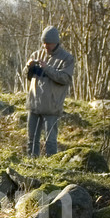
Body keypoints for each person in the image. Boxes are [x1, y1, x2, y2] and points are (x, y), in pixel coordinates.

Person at [25, 25, 75, 158]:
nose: (45, 46)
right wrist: (28, 67)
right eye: (44, 43)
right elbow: (28, 76)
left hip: (52, 106)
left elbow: (65, 79)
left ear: (56, 42)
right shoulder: (36, 55)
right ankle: (31, 162)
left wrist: (47, 68)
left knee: (50, 141)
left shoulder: (67, 58)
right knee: (31, 140)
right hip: (34, 104)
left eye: (48, 43)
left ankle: (51, 163)